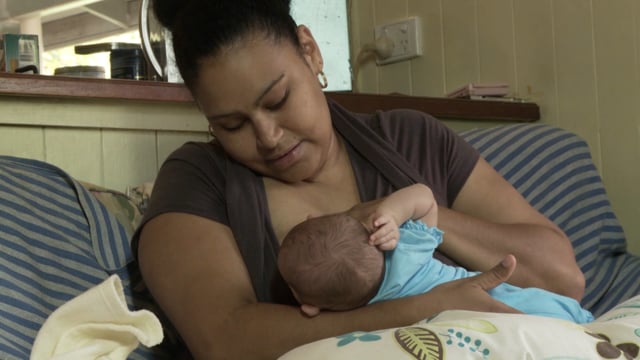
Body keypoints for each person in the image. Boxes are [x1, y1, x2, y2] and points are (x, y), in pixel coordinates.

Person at [133, 0, 586, 358]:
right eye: (232, 125)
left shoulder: (411, 139)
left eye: (278, 100)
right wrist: (416, 311)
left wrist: (417, 215)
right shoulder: (197, 181)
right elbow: (226, 342)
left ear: (309, 51)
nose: (268, 137)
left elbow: (563, 278)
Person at [278, 184, 594, 324]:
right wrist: (391, 213)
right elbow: (425, 198)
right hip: (533, 304)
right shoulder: (403, 249)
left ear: (310, 307)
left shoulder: (363, 313)